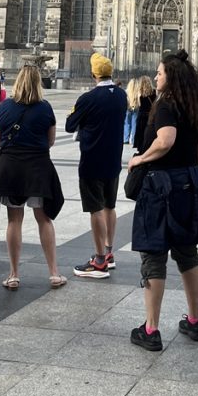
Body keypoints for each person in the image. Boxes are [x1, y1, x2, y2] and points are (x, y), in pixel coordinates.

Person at [127, 49, 198, 351]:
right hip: (189, 184)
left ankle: (150, 329)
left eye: (160, 72)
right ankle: (194, 320)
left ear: (171, 77)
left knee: (154, 255)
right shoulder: (196, 106)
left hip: (161, 186)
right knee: (187, 253)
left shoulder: (165, 105)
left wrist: (140, 159)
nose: (155, 76)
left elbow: (165, 141)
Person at [0, 65, 66, 290]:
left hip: (11, 168)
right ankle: (53, 273)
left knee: (14, 220)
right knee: (44, 219)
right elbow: (50, 140)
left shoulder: (4, 107)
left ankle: (13, 274)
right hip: (38, 168)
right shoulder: (45, 108)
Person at [65, 53, 126, 278]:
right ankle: (108, 253)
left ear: (93, 74)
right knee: (110, 206)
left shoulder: (88, 98)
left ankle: (99, 261)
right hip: (114, 161)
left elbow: (70, 125)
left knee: (95, 209)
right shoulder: (122, 95)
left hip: (92, 161)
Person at [132, 76, 155, 155]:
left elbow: (138, 105)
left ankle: (141, 149)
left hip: (142, 116)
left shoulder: (140, 94)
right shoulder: (154, 92)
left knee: (141, 134)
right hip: (151, 115)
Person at [124, 78, 140, 146]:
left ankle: (126, 139)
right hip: (136, 108)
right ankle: (133, 140)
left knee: (127, 124)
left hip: (128, 108)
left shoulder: (126, 91)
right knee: (134, 125)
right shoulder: (138, 92)